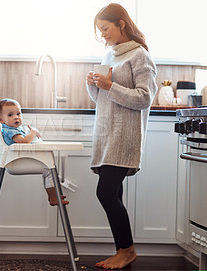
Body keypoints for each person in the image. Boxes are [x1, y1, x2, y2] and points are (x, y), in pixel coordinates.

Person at [86, 3, 157, 269]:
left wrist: (110, 85)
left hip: (124, 135)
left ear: (121, 24)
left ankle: (127, 250)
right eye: (100, 30)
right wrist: (94, 85)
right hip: (107, 134)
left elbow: (145, 98)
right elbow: (101, 98)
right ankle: (122, 250)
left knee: (105, 193)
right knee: (113, 193)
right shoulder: (110, 55)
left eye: (105, 28)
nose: (102, 35)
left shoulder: (140, 56)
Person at [0, 98, 69, 206]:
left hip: (17, 159)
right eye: (10, 115)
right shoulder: (10, 130)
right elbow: (25, 141)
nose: (16, 117)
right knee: (48, 168)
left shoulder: (14, 129)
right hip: (17, 162)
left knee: (48, 167)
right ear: (1, 120)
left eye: (18, 113)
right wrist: (33, 132)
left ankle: (54, 194)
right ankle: (53, 197)